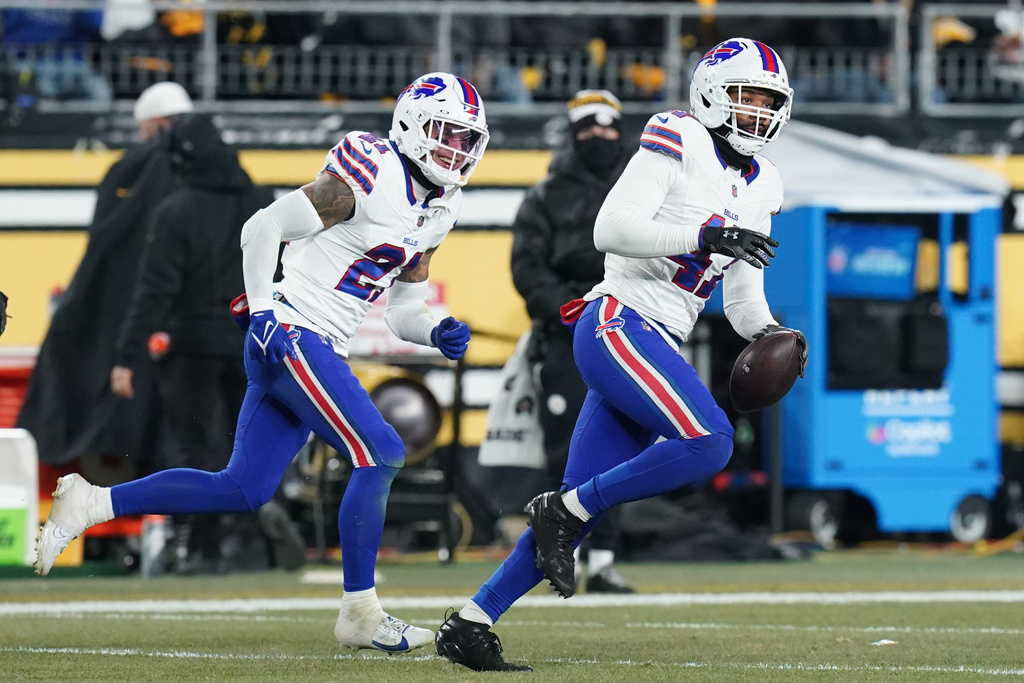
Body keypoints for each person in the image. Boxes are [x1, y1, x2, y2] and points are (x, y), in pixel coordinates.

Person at [35, 71, 488, 653]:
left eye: (466, 139)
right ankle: (360, 612)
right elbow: (263, 227)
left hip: (313, 340)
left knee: (243, 487)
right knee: (381, 450)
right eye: (447, 133)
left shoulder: (438, 209)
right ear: (412, 125)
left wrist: (435, 329)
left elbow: (404, 309)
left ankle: (93, 501)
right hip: (294, 332)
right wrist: (265, 310)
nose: (457, 150)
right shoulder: (371, 171)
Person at [435, 38, 809, 672]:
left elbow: (744, 295)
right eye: (747, 96)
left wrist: (775, 333)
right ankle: (565, 508)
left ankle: (470, 623)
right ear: (712, 94)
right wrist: (704, 233)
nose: (759, 112)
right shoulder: (678, 137)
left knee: (574, 514)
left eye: (770, 100)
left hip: (657, 337)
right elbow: (610, 229)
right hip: (618, 321)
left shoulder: (763, 182)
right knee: (710, 443)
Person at [109, 112, 300, 573]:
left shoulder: (175, 211)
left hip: (191, 346)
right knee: (252, 445)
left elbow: (154, 292)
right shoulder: (262, 202)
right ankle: (254, 538)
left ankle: (202, 546)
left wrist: (126, 356)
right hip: (255, 340)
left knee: (196, 446)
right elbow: (286, 274)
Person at [18, 82, 192, 475]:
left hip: (124, 311)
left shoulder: (131, 168)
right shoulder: (218, 177)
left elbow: (103, 242)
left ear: (156, 123)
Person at [509, 89, 633, 594]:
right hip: (569, 336)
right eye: (589, 128)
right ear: (572, 131)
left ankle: (604, 560)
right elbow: (527, 268)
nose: (600, 136)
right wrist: (575, 312)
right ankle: (568, 554)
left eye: (609, 128)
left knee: (626, 445)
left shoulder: (642, 185)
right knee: (571, 446)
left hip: (631, 332)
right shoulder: (545, 194)